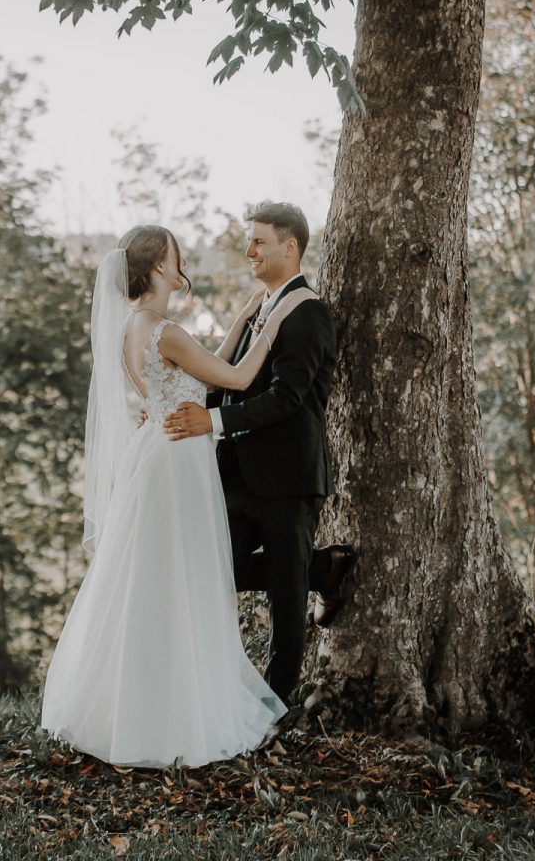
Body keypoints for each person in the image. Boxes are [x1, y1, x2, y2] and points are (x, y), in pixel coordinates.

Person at [40, 224, 308, 768]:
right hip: (176, 460)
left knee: (155, 578)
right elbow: (235, 378)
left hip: (157, 455)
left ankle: (136, 708)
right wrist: (277, 318)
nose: (180, 260)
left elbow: (202, 372)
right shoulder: (165, 331)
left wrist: (243, 317)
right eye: (175, 253)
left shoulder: (134, 329)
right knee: (180, 576)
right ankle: (175, 714)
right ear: (161, 265)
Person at [163, 201, 355, 723]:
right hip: (236, 476)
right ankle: (324, 567)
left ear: (289, 247)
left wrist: (213, 422)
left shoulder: (309, 312)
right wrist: (175, 409)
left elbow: (287, 398)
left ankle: (273, 710)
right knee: (214, 569)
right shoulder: (258, 308)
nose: (249, 250)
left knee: (287, 600)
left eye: (258, 241)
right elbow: (228, 379)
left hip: (289, 475)